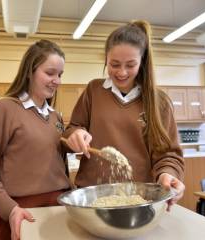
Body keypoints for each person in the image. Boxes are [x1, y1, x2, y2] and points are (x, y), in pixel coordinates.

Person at [62, 20, 185, 210]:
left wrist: (167, 174)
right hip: (92, 195)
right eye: (114, 64)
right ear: (106, 59)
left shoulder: (158, 102)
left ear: (142, 62)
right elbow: (72, 128)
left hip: (138, 198)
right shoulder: (94, 91)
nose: (121, 72)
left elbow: (169, 154)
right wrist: (75, 135)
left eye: (130, 65)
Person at [0, 39, 71, 240]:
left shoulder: (56, 117)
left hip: (60, 209)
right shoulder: (4, 109)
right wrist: (10, 209)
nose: (57, 80)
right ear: (30, 71)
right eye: (50, 73)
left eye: (60, 74)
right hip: (23, 214)